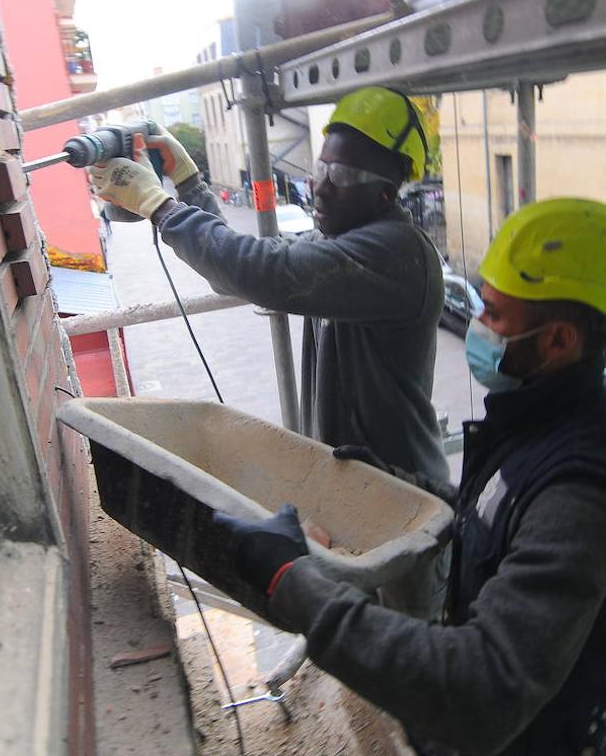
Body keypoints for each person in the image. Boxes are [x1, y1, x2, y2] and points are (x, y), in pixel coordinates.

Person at [214, 198, 606, 756]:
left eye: (495, 315)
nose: (477, 324)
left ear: (558, 341)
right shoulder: (546, 417)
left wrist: (290, 581)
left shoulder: (585, 489)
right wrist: (401, 485)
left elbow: (481, 687)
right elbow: (501, 515)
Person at [91, 87, 450, 618]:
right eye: (322, 168)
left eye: (344, 176)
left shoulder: (394, 254)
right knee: (362, 619)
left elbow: (267, 275)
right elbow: (257, 264)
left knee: (409, 636)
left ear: (388, 190)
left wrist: (159, 205)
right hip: (358, 478)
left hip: (402, 490)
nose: (322, 187)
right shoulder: (349, 241)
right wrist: (190, 184)